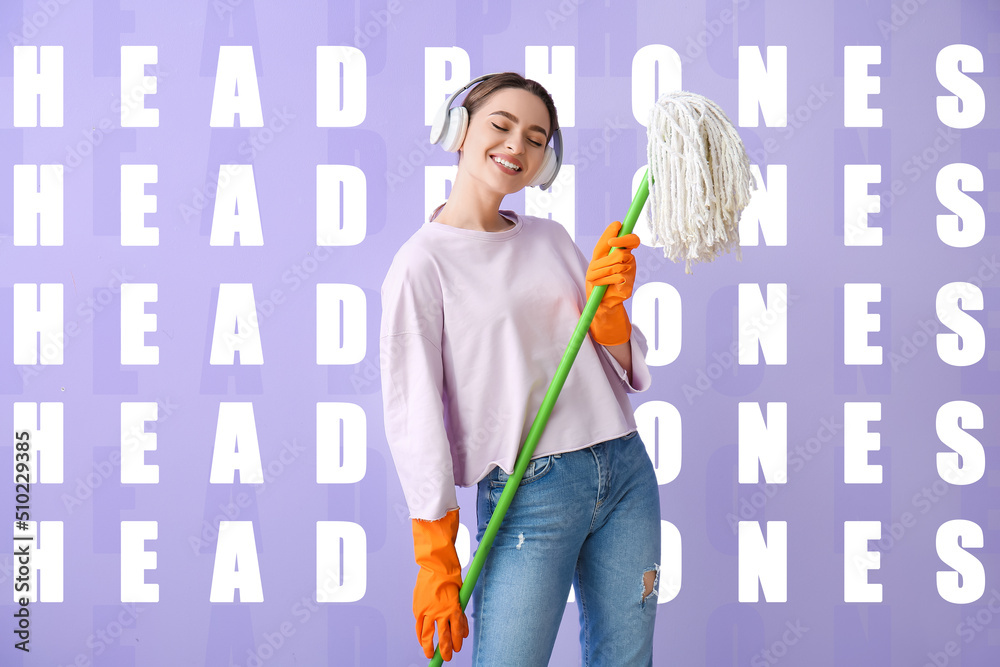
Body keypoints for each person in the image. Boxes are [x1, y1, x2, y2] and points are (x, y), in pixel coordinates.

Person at [379, 71, 661, 666]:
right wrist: (435, 556)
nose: (517, 146)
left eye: (536, 139)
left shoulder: (552, 239)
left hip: (624, 467)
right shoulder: (420, 264)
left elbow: (610, 360)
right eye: (500, 126)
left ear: (545, 161)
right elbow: (414, 415)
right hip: (530, 490)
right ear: (458, 130)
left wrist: (611, 320)